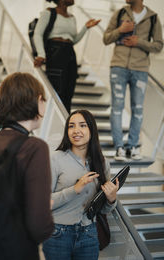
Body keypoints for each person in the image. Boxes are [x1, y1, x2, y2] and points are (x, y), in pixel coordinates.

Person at [0, 72, 54, 260]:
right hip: (15, 249)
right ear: (39, 101)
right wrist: (46, 209)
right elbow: (39, 228)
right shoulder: (35, 148)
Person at [43, 109, 119, 260]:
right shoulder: (55, 159)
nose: (76, 130)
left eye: (82, 125)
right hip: (58, 234)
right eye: (71, 126)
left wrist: (111, 199)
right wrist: (74, 189)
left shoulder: (102, 163)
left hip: (89, 233)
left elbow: (102, 208)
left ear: (91, 130)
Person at [103, 0, 163, 161]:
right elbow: (106, 38)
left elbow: (159, 45)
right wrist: (120, 30)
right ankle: (119, 148)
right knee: (117, 108)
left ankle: (133, 147)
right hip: (118, 67)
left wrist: (140, 42)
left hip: (140, 69)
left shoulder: (152, 18)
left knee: (137, 109)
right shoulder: (120, 13)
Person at [34, 0, 101, 113]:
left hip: (70, 53)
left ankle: (65, 122)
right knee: (57, 90)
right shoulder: (49, 13)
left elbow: (73, 39)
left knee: (68, 92)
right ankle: (52, 120)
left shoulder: (72, 17)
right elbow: (38, 34)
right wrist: (41, 54)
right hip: (55, 52)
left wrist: (85, 28)